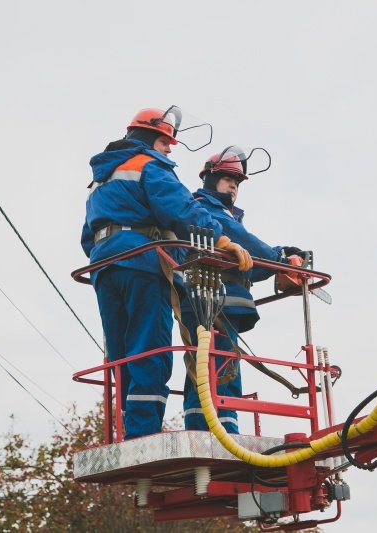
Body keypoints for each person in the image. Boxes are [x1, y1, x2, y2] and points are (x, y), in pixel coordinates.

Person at [81, 109, 253, 440]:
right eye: (164, 141)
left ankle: (131, 426)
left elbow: (86, 237)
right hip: (143, 262)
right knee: (150, 346)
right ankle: (143, 433)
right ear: (146, 139)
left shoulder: (99, 179)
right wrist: (220, 239)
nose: (169, 150)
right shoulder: (149, 165)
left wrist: (111, 252)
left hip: (103, 266)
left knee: (120, 352)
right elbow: (180, 209)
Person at [182, 147, 303, 434]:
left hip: (224, 302)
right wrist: (280, 258)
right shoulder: (205, 210)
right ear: (210, 180)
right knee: (217, 369)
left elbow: (250, 264)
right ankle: (219, 434)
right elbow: (243, 240)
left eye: (237, 182)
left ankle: (210, 429)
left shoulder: (227, 217)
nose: (234, 186)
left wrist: (278, 261)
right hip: (210, 301)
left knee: (212, 368)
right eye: (227, 179)